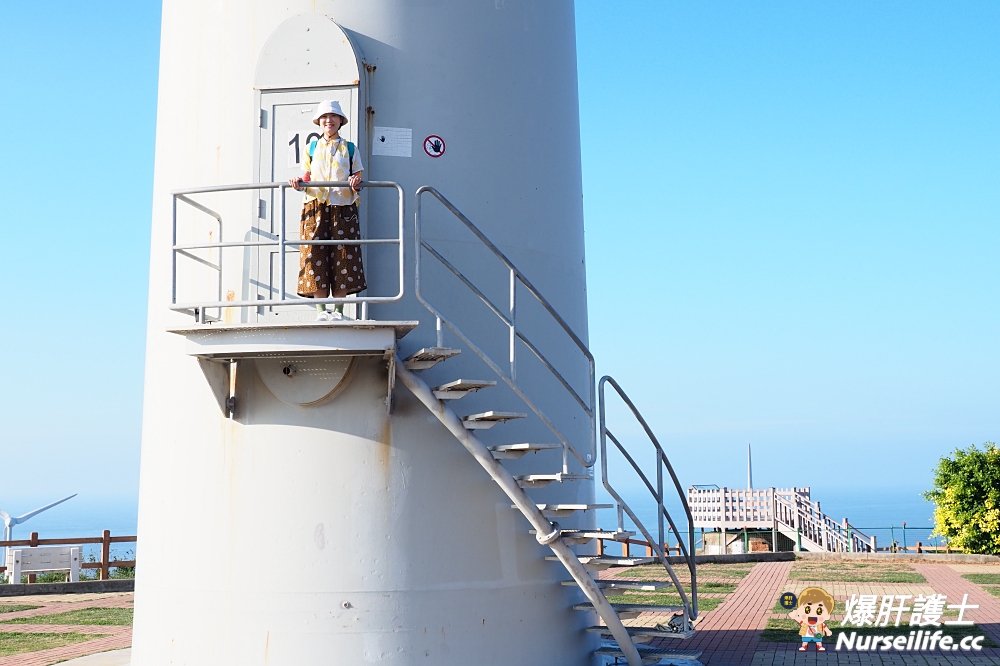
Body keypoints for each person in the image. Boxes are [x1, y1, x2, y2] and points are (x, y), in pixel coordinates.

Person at [288, 100, 366, 321]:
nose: (328, 120)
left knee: (344, 255)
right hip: (316, 206)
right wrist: (297, 181)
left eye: (333, 116)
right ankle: (322, 311)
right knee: (314, 255)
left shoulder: (350, 148)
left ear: (341, 121)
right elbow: (306, 177)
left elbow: (358, 175)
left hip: (343, 207)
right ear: (319, 122)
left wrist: (355, 180)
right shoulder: (311, 148)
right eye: (324, 117)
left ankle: (339, 312)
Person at [788, 587, 835, 652]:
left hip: (817, 630)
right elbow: (800, 621)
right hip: (807, 630)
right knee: (805, 638)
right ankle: (804, 645)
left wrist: (828, 631)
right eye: (807, 610)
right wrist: (795, 617)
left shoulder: (819, 624)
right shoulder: (805, 623)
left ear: (827, 615)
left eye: (819, 611)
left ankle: (819, 645)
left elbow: (823, 626)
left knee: (818, 639)